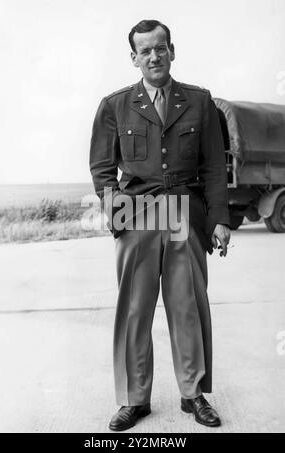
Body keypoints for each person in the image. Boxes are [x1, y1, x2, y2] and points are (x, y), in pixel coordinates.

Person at [89, 19, 231, 431]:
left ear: (172, 51)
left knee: (188, 306)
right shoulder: (115, 105)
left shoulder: (200, 102)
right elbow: (102, 169)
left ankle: (194, 394)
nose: (154, 56)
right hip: (137, 215)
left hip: (186, 214)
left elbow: (214, 167)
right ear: (134, 57)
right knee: (135, 310)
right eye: (145, 51)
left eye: (161, 48)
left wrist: (219, 219)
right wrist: (116, 212)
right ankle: (134, 400)